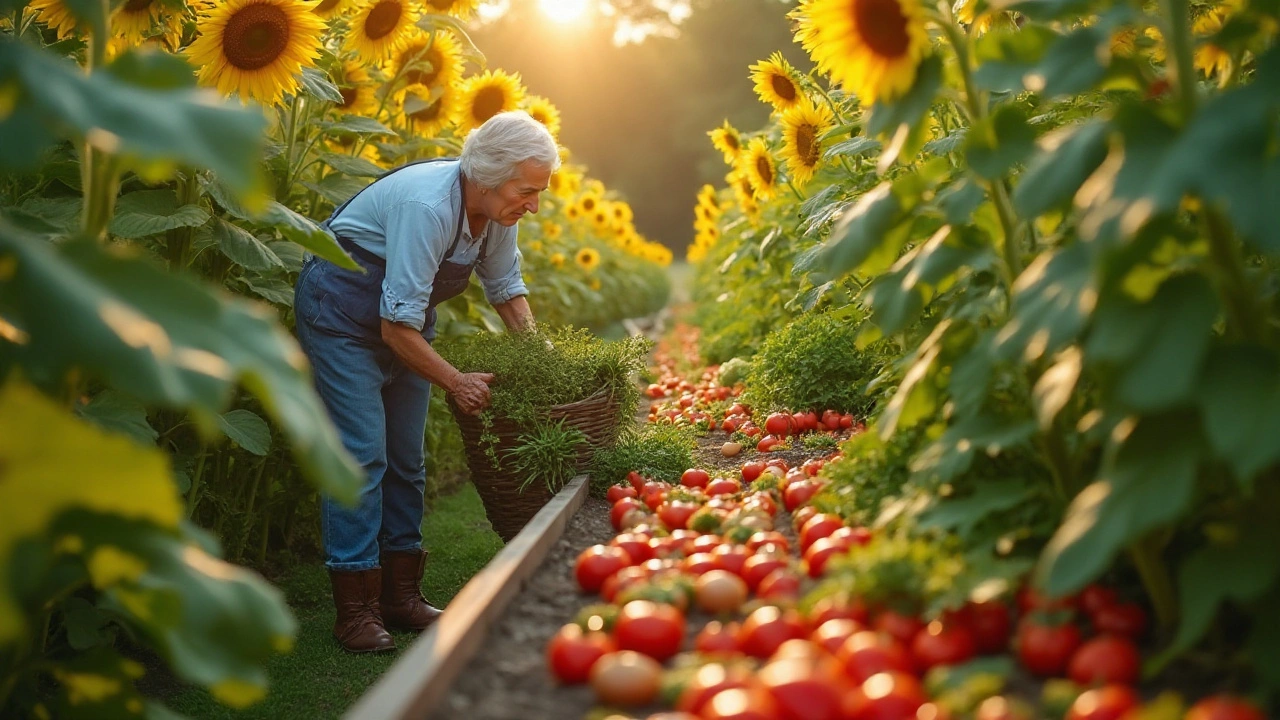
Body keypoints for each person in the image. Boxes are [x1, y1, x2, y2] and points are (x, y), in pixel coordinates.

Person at [293, 111, 557, 653]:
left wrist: (543, 356)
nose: (533, 204)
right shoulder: (428, 207)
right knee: (362, 453)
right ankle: (355, 610)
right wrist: (456, 381)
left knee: (408, 459)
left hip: (404, 321)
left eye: (539, 192)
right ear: (487, 175)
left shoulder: (495, 214)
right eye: (526, 191)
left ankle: (400, 596)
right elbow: (395, 327)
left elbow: (505, 286)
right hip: (343, 313)